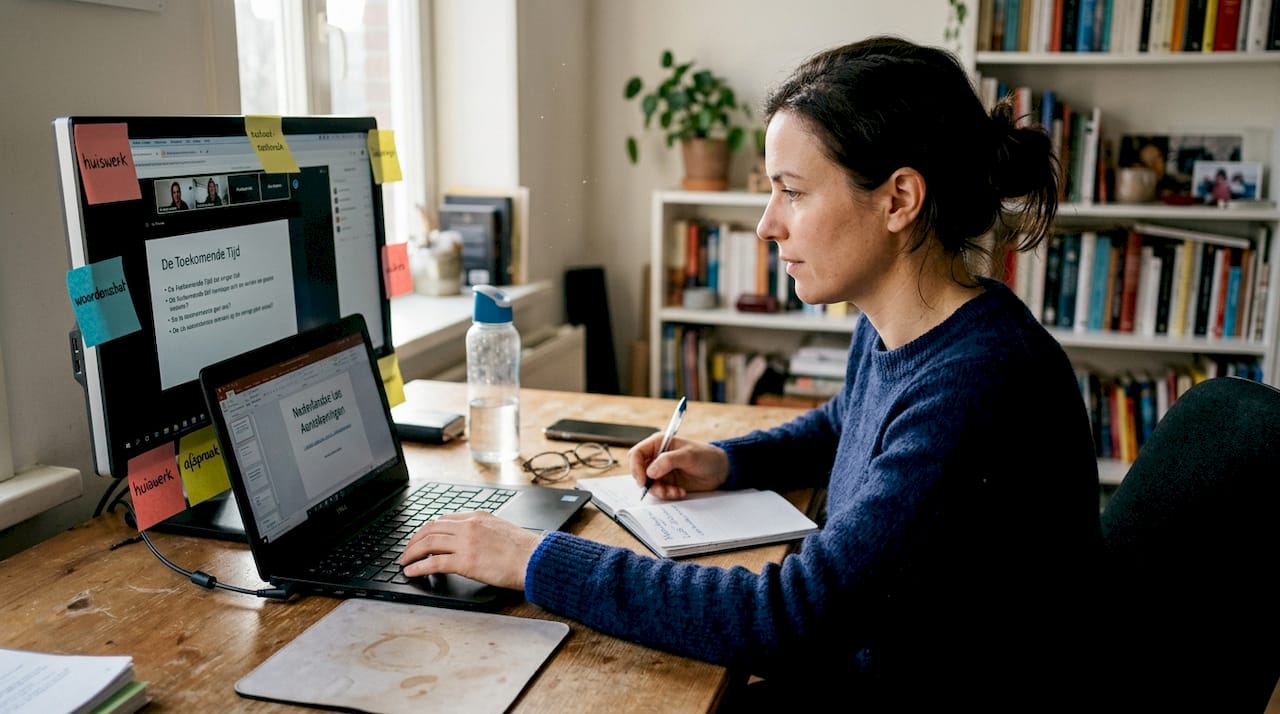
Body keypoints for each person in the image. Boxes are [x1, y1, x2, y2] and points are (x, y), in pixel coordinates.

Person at [399, 36, 1101, 710]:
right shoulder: (913, 317)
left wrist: (533, 560)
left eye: (792, 191)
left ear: (898, 200)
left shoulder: (980, 383)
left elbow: (790, 615)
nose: (767, 224)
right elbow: (848, 424)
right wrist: (727, 462)